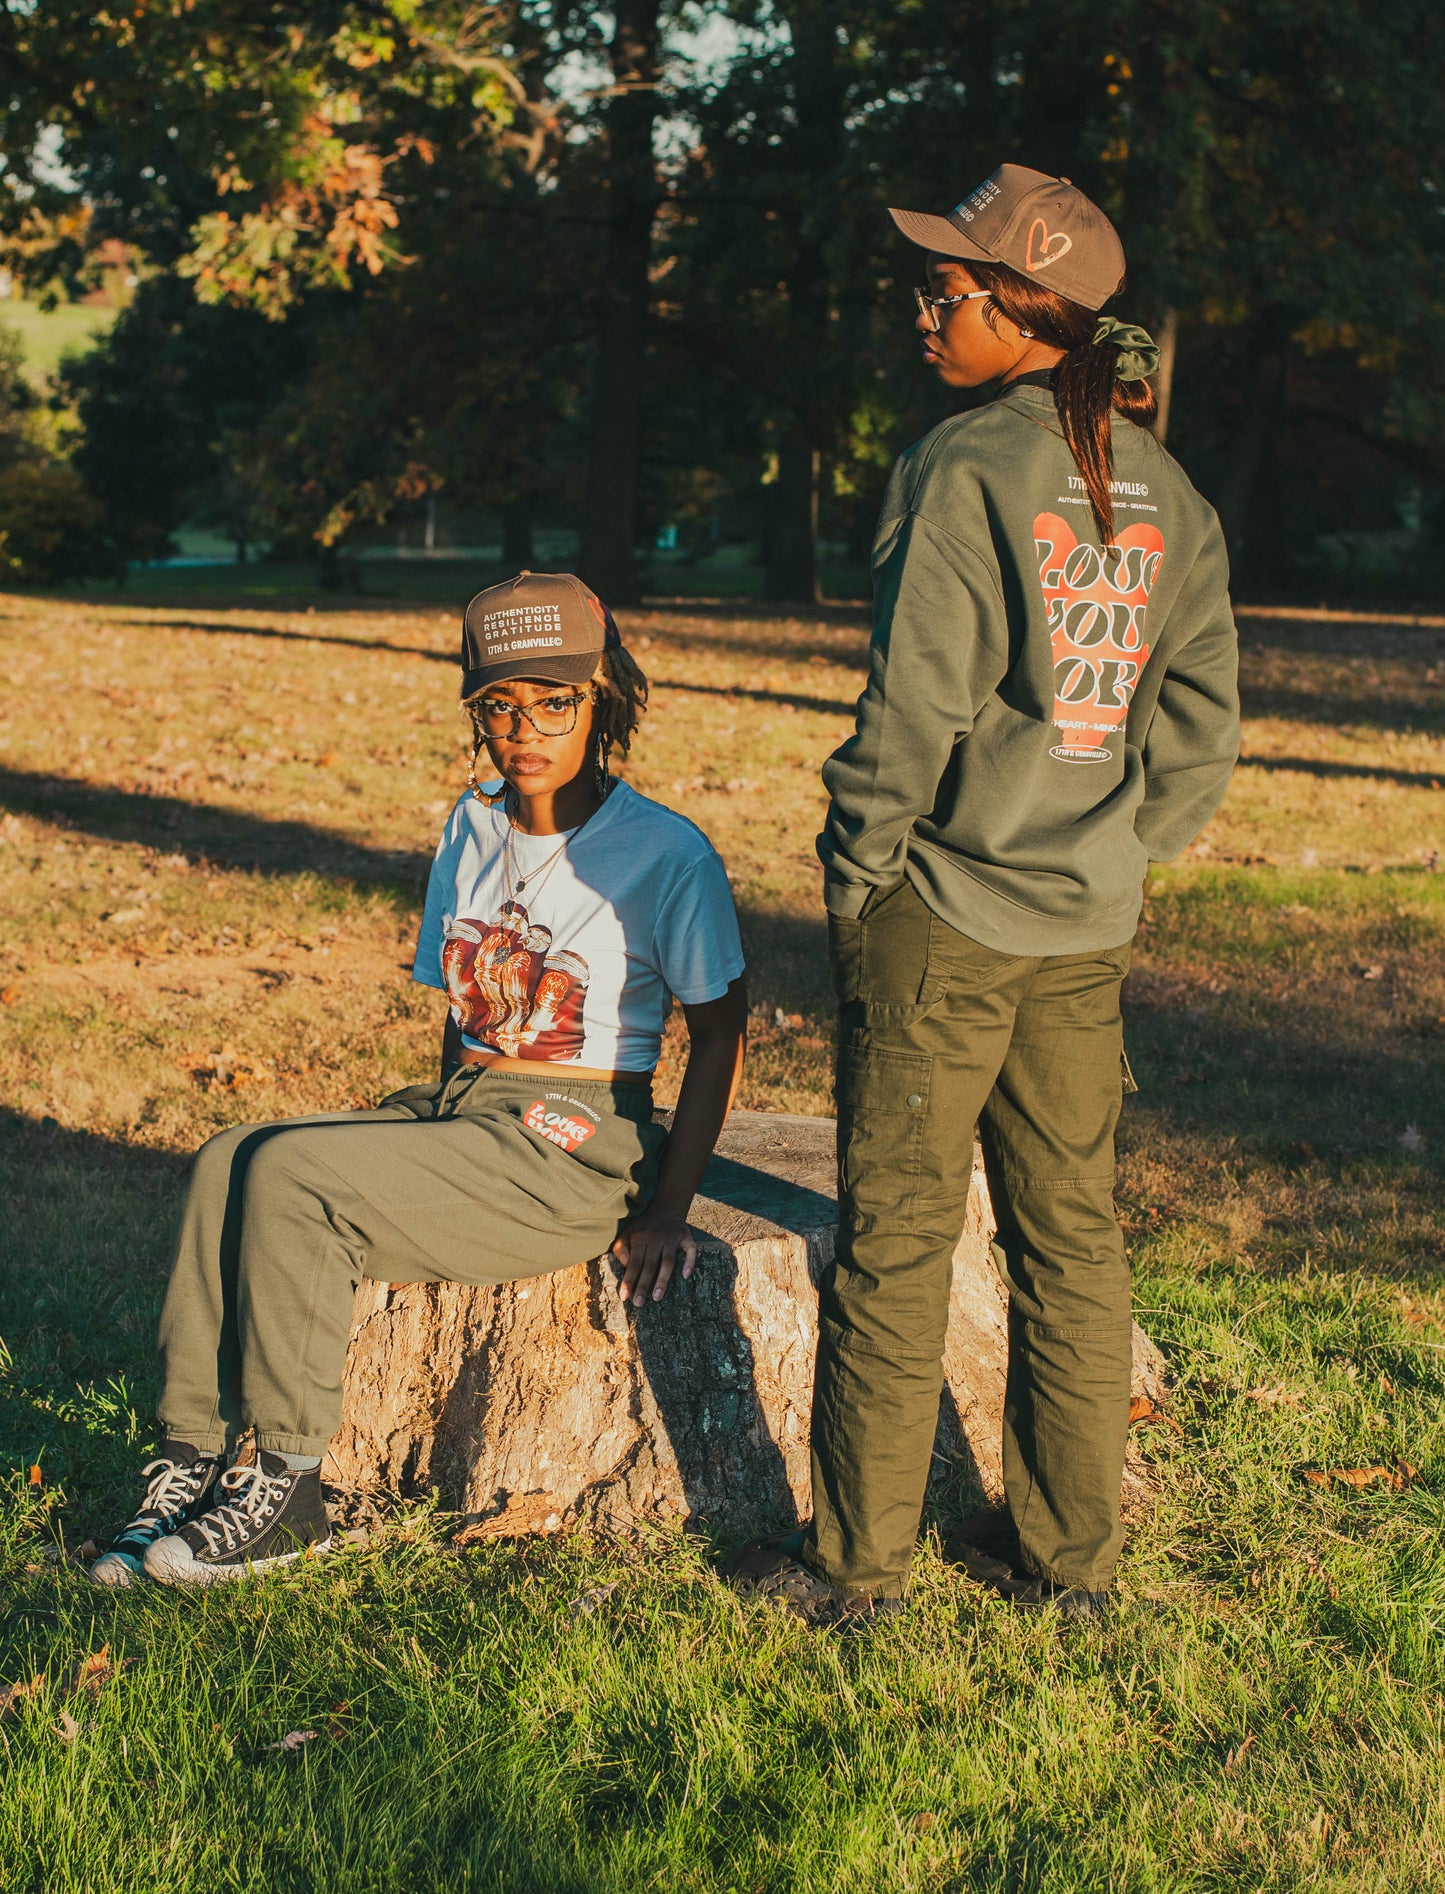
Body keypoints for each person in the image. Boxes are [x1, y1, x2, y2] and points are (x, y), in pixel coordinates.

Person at [726, 164, 1239, 1626]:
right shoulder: (1172, 491)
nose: (920, 308)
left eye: (942, 289)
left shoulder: (964, 467)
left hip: (941, 917)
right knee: (1070, 1240)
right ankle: (1070, 1569)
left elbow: (914, 710)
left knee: (895, 1243)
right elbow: (1201, 715)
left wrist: (858, 864)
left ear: (1022, 308)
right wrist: (1127, 845)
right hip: (1083, 925)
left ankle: (857, 1572)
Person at [92, 572, 747, 1588]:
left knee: (298, 1176)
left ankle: (291, 1494)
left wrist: (667, 1203)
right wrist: (433, 1135)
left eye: (554, 700)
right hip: (468, 1110)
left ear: (604, 696)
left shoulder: (665, 854)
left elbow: (720, 1030)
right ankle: (191, 1459)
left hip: (576, 1139)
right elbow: (459, 1015)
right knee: (231, 1157)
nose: (523, 728)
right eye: (498, 705)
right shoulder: (471, 822)